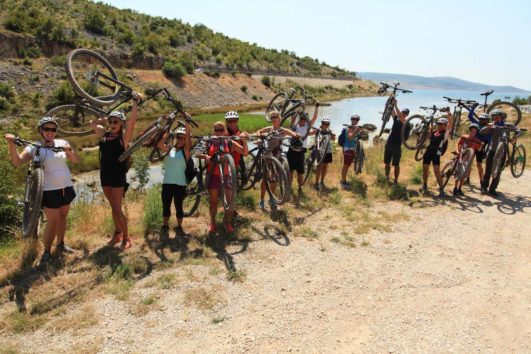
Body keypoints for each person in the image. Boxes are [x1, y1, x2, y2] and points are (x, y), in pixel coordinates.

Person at [4, 117, 79, 265]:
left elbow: (75, 160)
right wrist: (11, 144)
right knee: (53, 221)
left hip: (66, 186)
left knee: (63, 218)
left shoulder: (62, 143)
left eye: (53, 129)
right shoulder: (34, 146)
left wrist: (69, 151)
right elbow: (17, 162)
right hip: (49, 190)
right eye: (47, 129)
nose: (50, 132)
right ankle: (46, 252)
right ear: (41, 130)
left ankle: (61, 244)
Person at [90, 92, 142, 250]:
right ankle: (117, 233)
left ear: (121, 124)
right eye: (111, 121)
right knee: (113, 206)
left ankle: (126, 237)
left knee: (117, 208)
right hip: (105, 175)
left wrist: (135, 103)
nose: (112, 123)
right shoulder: (104, 135)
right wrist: (100, 120)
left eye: (116, 122)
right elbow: (92, 123)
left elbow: (132, 122)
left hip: (118, 176)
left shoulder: (123, 139)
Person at [199, 122, 248, 233]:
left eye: (221, 129)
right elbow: (196, 152)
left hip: (227, 175)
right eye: (216, 130)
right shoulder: (209, 141)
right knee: (213, 202)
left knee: (230, 202)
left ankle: (227, 222)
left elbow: (245, 153)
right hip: (213, 175)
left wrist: (244, 141)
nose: (219, 132)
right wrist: (205, 156)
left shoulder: (229, 142)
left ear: (225, 130)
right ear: (213, 131)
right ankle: (212, 223)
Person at [254, 111, 301, 210]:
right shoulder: (269, 129)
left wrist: (295, 134)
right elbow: (259, 131)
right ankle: (262, 200)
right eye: (272, 118)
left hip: (277, 155)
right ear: (271, 120)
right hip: (267, 154)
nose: (274, 119)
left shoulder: (282, 130)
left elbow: (292, 133)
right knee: (265, 179)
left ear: (280, 119)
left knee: (274, 180)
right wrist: (259, 137)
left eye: (276, 117)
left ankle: (271, 199)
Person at [157, 121, 192, 235]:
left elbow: (188, 142)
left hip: (179, 184)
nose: (181, 139)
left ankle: (179, 227)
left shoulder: (186, 151)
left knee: (178, 207)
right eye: (179, 137)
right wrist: (167, 134)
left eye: (183, 138)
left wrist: (187, 124)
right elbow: (160, 145)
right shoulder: (171, 149)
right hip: (167, 182)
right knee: (166, 205)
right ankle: (165, 226)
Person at [480, 109, 518, 197]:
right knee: (488, 170)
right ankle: (484, 187)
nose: (496, 118)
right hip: (492, 151)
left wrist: (514, 137)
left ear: (501, 117)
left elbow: (518, 131)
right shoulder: (493, 125)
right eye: (494, 117)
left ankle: (492, 189)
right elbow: (481, 132)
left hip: (502, 152)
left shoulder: (507, 125)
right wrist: (488, 127)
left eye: (497, 117)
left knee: (498, 171)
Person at [287, 103, 319, 193]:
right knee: (290, 171)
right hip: (291, 150)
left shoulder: (307, 127)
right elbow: (292, 118)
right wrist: (298, 108)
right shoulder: (294, 126)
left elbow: (314, 118)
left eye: (305, 119)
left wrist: (316, 107)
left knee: (300, 173)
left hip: (300, 152)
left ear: (306, 120)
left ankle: (300, 188)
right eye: (301, 118)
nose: (302, 120)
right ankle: (289, 188)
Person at [421, 108, 453, 197]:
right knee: (425, 170)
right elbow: (427, 138)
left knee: (436, 172)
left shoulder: (445, 134)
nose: (440, 126)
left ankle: (442, 189)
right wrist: (429, 130)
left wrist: (448, 113)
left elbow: (450, 125)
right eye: (439, 124)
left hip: (436, 154)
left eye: (442, 124)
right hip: (428, 152)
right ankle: (425, 186)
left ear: (445, 125)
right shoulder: (435, 132)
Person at [452, 123, 483, 197]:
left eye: (475, 131)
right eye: (472, 131)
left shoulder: (477, 140)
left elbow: (479, 150)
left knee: (464, 174)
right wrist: (458, 151)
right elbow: (459, 144)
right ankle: (455, 188)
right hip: (462, 156)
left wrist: (481, 145)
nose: (473, 132)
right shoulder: (464, 137)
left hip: (469, 159)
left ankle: (460, 189)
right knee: (458, 173)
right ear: (470, 130)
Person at [384, 100, 409, 184]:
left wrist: (396, 105)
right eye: (403, 112)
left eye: (405, 113)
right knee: (387, 163)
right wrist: (390, 102)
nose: (403, 114)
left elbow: (400, 116)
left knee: (396, 164)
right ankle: (387, 177)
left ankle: (396, 180)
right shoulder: (396, 119)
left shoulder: (407, 124)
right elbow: (392, 112)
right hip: (389, 143)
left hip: (397, 146)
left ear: (407, 115)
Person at [466, 106, 491, 184]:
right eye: (480, 119)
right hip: (472, 145)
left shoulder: (489, 128)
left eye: (483, 119)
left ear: (487, 120)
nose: (481, 121)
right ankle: (467, 179)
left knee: (479, 165)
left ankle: (482, 182)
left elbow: (489, 140)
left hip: (480, 147)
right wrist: (473, 107)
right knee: (469, 163)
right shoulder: (477, 123)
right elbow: (470, 116)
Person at [340, 115, 362, 188]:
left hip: (350, 148)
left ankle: (343, 180)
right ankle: (343, 182)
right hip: (348, 148)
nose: (355, 120)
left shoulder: (353, 127)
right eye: (354, 119)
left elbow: (355, 139)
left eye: (357, 119)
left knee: (346, 165)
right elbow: (350, 138)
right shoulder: (350, 128)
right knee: (346, 166)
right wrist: (356, 130)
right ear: (351, 120)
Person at [314, 117, 336, 190]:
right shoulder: (318, 131)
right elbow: (316, 141)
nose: (326, 125)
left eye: (327, 124)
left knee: (325, 168)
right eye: (324, 123)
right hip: (320, 152)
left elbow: (333, 139)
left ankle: (322, 182)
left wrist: (333, 135)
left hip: (328, 151)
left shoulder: (329, 131)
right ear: (322, 123)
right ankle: (316, 183)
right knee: (319, 168)